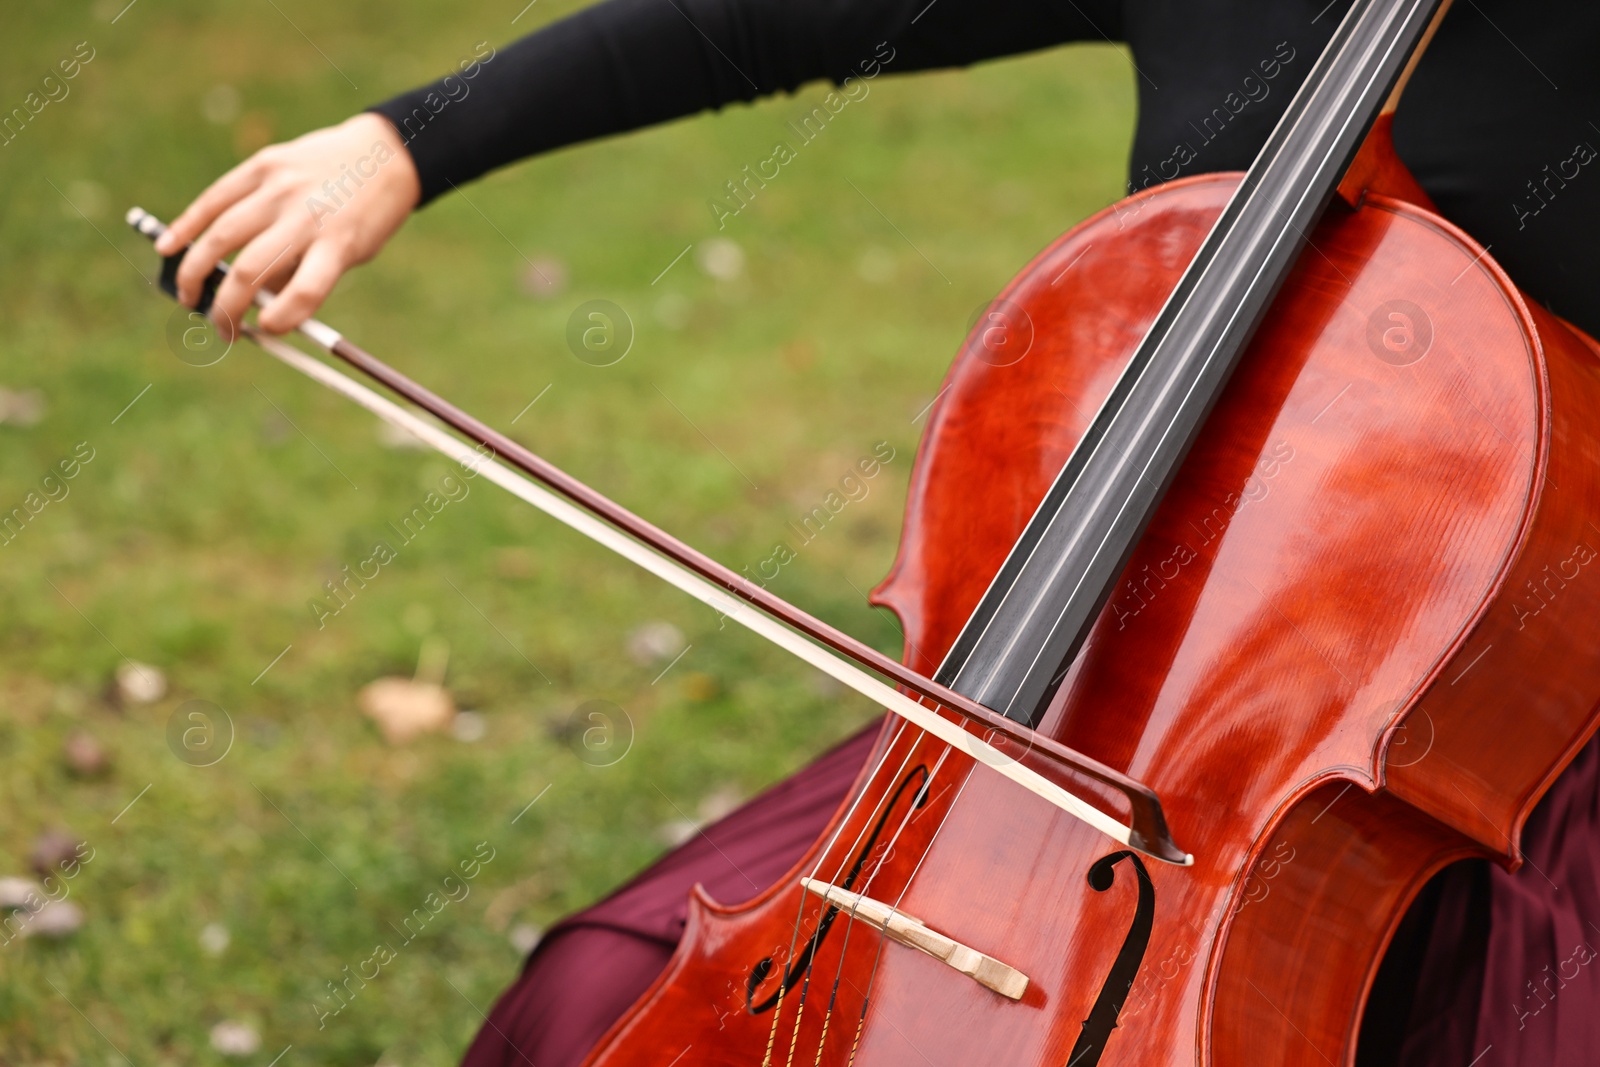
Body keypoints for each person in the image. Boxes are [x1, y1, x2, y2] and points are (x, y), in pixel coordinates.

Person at [157, 1, 1600, 1064]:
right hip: (1108, 693)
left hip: (1495, 736)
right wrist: (405, 141)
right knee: (600, 1009)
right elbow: (764, 23)